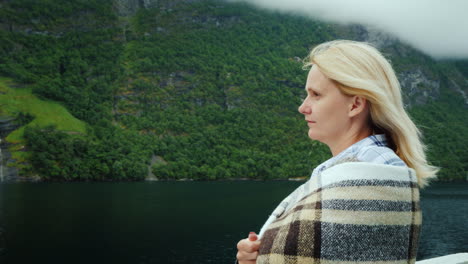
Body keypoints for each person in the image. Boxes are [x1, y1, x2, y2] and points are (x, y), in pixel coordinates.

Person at [236, 40, 438, 264]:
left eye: (316, 94)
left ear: (355, 105)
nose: (303, 107)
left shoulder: (378, 170)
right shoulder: (355, 169)